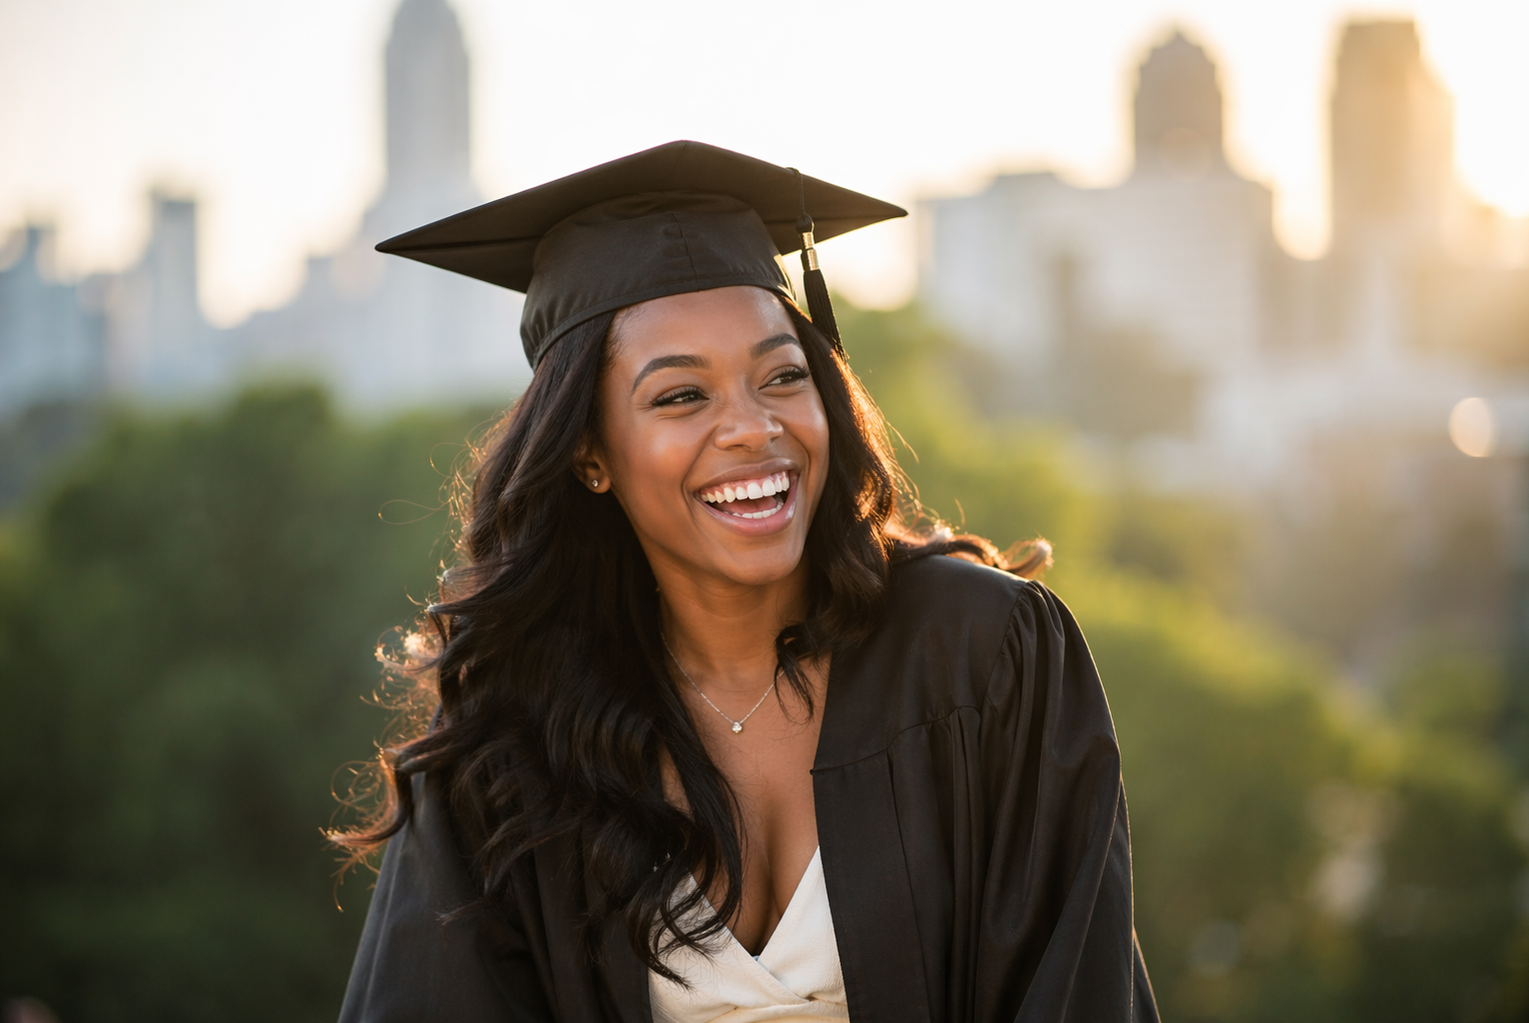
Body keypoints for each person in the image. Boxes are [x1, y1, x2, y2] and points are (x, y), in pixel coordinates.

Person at [333, 140, 1159, 1023]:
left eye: (782, 376)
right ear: (588, 453)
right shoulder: (512, 741)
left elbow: (1076, 989)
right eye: (681, 396)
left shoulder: (983, 657)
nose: (752, 427)